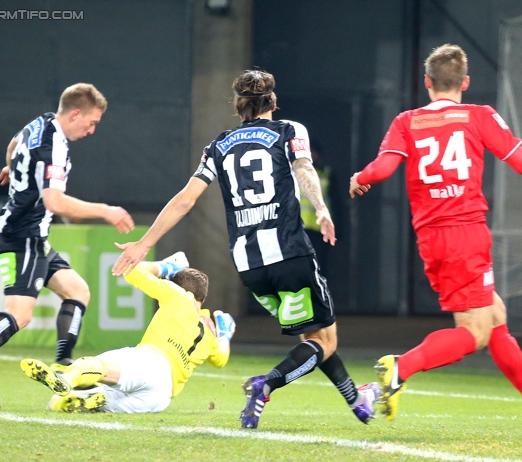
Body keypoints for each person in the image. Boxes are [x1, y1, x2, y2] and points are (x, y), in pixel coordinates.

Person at [111, 70, 379, 429]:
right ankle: (266, 385)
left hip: (250, 266)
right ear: (273, 101)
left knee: (312, 337)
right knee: (324, 340)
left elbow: (185, 201)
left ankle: (357, 400)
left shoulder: (219, 145)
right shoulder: (289, 130)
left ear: (238, 105)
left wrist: (144, 244)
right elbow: (304, 169)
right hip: (290, 253)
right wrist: (321, 207)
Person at [349, 44, 522, 425]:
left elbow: (384, 168)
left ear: (427, 82)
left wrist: (361, 177)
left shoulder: (407, 121)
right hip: (467, 234)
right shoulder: (479, 115)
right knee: (475, 332)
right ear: (465, 82)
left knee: (495, 313)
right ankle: (401, 367)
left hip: (431, 237)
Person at [0, 83, 135, 408]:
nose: (91, 131)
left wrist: (14, 167)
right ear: (75, 113)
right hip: (24, 238)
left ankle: (63, 366)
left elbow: (13, 145)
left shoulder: (42, 122)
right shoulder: (54, 146)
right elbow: (55, 201)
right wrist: (105, 210)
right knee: (19, 315)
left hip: (29, 236)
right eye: (91, 123)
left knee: (78, 291)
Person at [20, 253, 236, 413]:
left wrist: (164, 267)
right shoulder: (209, 335)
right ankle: (85, 399)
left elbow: (132, 271)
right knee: (73, 404)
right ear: (204, 298)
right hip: (161, 396)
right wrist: (224, 335)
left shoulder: (179, 295)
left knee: (97, 366)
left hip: (151, 362)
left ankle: (66, 379)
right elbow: (220, 360)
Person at [299, 144, 334, 271]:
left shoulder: (326, 174)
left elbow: (334, 200)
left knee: (319, 266)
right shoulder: (295, 173)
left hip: (319, 229)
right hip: (298, 228)